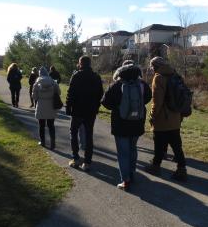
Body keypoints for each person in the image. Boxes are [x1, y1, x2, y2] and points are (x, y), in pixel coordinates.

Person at [102, 62, 152, 190]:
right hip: (137, 123)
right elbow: (148, 97)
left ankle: (125, 180)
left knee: (123, 153)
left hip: (121, 124)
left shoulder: (117, 85)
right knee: (133, 149)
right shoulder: (142, 85)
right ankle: (131, 174)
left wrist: (118, 108)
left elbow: (105, 102)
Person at [144, 56, 187, 181]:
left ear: (155, 66)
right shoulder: (175, 75)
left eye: (152, 67)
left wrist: (152, 115)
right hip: (176, 117)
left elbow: (157, 101)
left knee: (159, 144)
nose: (151, 69)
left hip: (163, 118)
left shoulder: (158, 78)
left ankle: (155, 167)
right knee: (176, 145)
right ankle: (182, 169)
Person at [66, 56, 103, 171]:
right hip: (90, 111)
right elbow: (100, 94)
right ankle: (87, 162)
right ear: (89, 64)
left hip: (77, 110)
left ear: (80, 63)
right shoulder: (96, 77)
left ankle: (76, 158)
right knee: (88, 135)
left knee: (73, 133)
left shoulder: (76, 76)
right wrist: (96, 107)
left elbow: (70, 93)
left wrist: (68, 107)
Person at [32, 67, 60, 149]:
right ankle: (52, 143)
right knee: (51, 125)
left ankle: (43, 142)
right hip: (51, 105)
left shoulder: (37, 83)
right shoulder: (53, 82)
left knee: (41, 126)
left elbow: (34, 96)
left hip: (41, 105)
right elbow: (59, 92)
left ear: (40, 74)